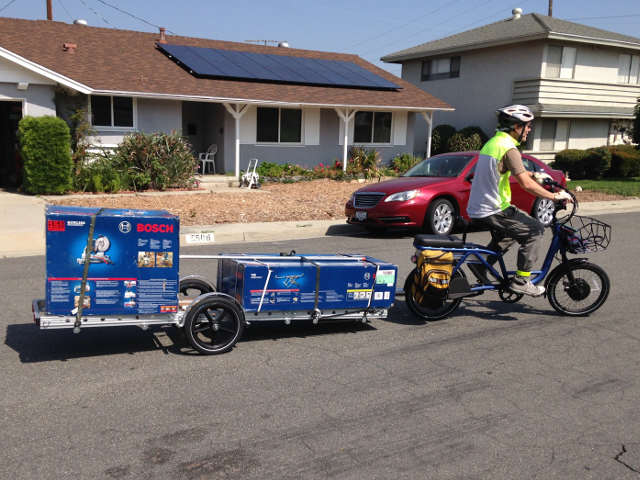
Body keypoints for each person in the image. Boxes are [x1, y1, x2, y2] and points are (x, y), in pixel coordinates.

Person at [467, 105, 572, 296]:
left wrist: (533, 173)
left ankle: (480, 265)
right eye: (528, 126)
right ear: (517, 126)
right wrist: (554, 196)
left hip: (480, 206)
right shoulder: (509, 148)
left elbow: (508, 170)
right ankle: (522, 280)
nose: (529, 130)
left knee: (510, 234)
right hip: (494, 208)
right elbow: (525, 184)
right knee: (535, 230)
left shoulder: (494, 143)